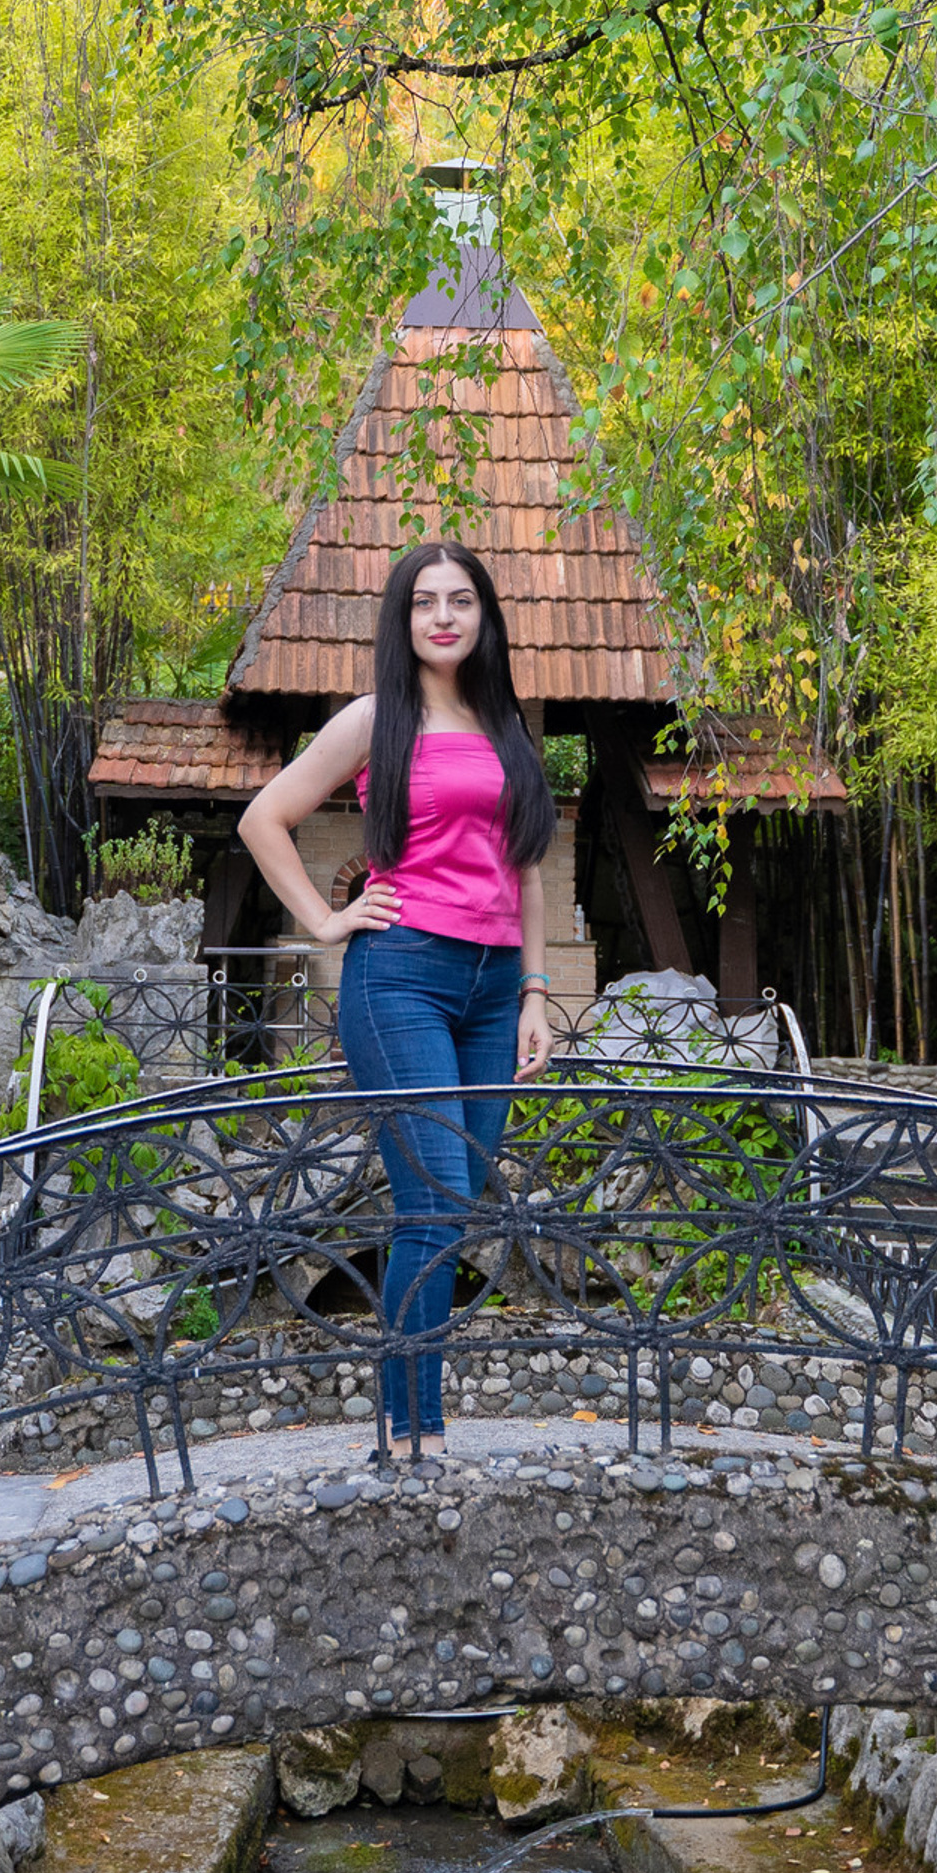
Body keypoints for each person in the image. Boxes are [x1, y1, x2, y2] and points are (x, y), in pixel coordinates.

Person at [238, 542, 557, 1457]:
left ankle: (416, 1418)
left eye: (461, 601)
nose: (444, 617)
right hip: (402, 977)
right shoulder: (377, 718)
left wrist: (536, 992)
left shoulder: (505, 726)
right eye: (425, 602)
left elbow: (527, 872)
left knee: (454, 1208)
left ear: (485, 616)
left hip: (495, 989)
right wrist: (324, 922)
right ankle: (410, 1425)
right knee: (436, 1195)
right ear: (403, 619)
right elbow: (264, 818)